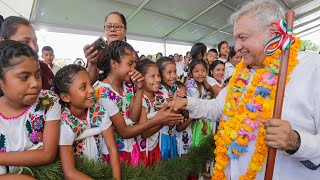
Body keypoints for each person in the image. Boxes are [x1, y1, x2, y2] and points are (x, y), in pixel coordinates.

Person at [173, 0, 320, 179]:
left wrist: (296, 142)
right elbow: (217, 108)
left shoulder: (313, 69)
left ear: (273, 31)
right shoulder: (242, 74)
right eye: (235, 38)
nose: (237, 47)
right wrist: (186, 102)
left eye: (243, 38)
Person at [94, 41, 182, 166]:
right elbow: (123, 132)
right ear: (114, 63)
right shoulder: (102, 92)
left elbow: (133, 117)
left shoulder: (128, 85)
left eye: (134, 64)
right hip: (114, 154)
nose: (133, 69)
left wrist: (139, 89)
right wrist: (158, 120)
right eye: (129, 64)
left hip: (132, 149)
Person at [0, 40, 60, 179]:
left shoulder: (48, 102)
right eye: (24, 77)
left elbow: (47, 154)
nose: (35, 84)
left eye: (38, 75)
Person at [53, 64, 121, 180]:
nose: (92, 90)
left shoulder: (98, 111)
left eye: (90, 83)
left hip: (100, 170)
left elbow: (112, 148)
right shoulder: (64, 122)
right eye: (83, 87)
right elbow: (69, 172)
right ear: (65, 97)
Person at [135, 60, 180, 166]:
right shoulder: (140, 99)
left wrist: (175, 106)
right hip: (143, 152)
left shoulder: (160, 97)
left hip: (156, 148)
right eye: (153, 76)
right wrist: (163, 120)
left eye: (158, 76)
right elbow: (144, 133)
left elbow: (171, 123)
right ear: (141, 79)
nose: (158, 80)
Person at [0, 16, 54, 90]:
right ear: (3, 42)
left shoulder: (44, 69)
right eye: (25, 42)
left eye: (35, 41)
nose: (34, 48)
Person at [84, 12, 127, 83]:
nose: (112, 30)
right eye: (108, 26)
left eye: (117, 26)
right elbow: (91, 82)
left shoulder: (131, 53)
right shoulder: (96, 52)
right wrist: (92, 63)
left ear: (125, 31)